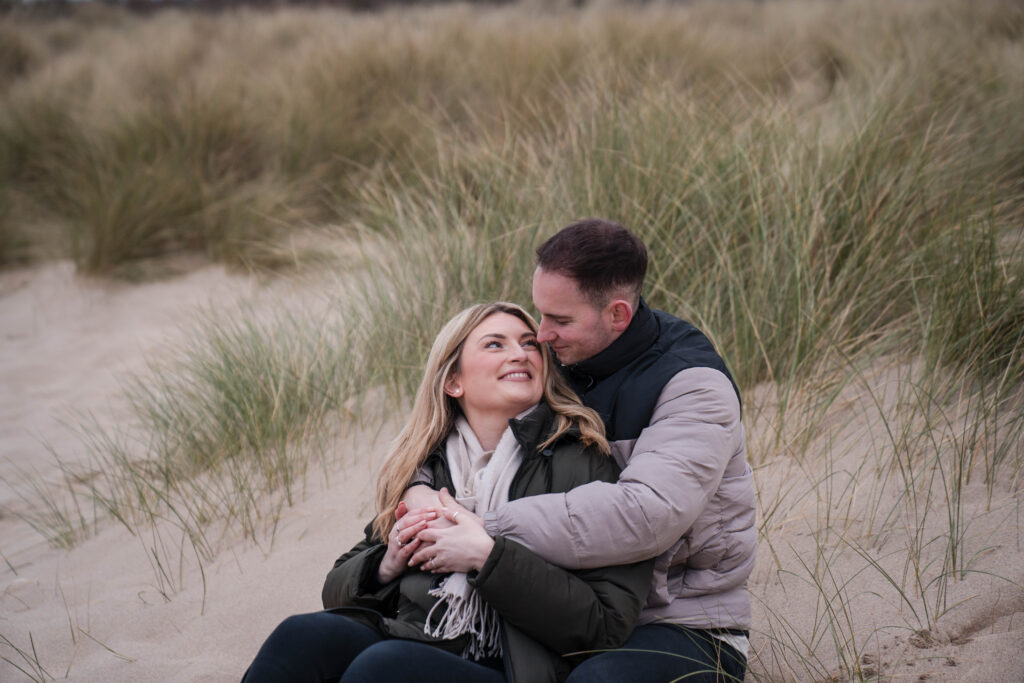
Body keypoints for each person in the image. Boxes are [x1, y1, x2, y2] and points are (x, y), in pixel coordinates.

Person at [407, 219, 756, 682]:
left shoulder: (692, 386)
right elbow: (452, 426)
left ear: (617, 315)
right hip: (557, 610)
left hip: (680, 623)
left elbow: (645, 514)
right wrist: (420, 490)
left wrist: (485, 527)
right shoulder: (558, 357)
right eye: (540, 314)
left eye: (560, 320)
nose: (542, 335)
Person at [242, 302, 653, 683]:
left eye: (530, 344)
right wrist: (387, 563)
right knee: (302, 634)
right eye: (496, 344)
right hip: (420, 638)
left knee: (386, 667)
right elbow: (336, 589)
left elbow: (605, 624)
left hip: (515, 666)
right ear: (453, 380)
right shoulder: (429, 468)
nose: (521, 353)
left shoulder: (582, 458)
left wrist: (486, 558)